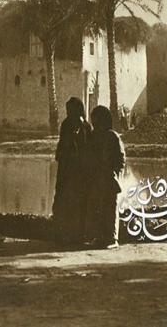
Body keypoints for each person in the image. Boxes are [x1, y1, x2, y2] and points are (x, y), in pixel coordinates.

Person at [83, 105, 124, 249]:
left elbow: (120, 158)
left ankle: (112, 238)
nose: (95, 123)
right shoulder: (93, 136)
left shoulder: (112, 136)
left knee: (110, 208)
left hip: (108, 178)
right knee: (97, 208)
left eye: (97, 120)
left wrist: (115, 172)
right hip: (96, 178)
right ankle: (99, 237)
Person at [52, 97, 91, 244]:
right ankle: (62, 233)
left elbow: (88, 148)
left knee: (79, 201)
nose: (69, 112)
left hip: (79, 171)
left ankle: (79, 234)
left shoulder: (85, 126)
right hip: (67, 170)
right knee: (64, 200)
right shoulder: (67, 125)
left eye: (71, 110)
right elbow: (64, 146)